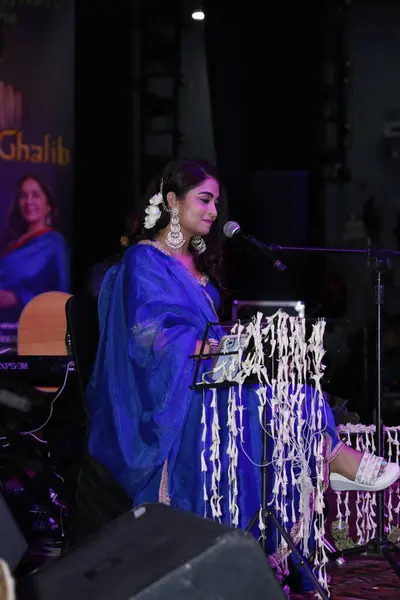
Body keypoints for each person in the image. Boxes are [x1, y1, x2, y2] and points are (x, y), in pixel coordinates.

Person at [85, 159, 400, 591]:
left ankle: (327, 452)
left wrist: (239, 344)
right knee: (261, 395)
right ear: (173, 201)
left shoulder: (196, 266)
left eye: (217, 201)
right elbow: (147, 336)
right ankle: (331, 458)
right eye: (205, 199)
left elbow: (210, 334)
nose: (215, 210)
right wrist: (210, 347)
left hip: (208, 378)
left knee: (292, 383)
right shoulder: (145, 259)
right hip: (167, 394)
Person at [0, 174, 69, 352]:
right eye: (23, 196)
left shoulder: (54, 243)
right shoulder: (11, 242)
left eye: (35, 195)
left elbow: (62, 297)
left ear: (48, 205)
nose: (28, 201)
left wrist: (17, 298)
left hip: (26, 336)